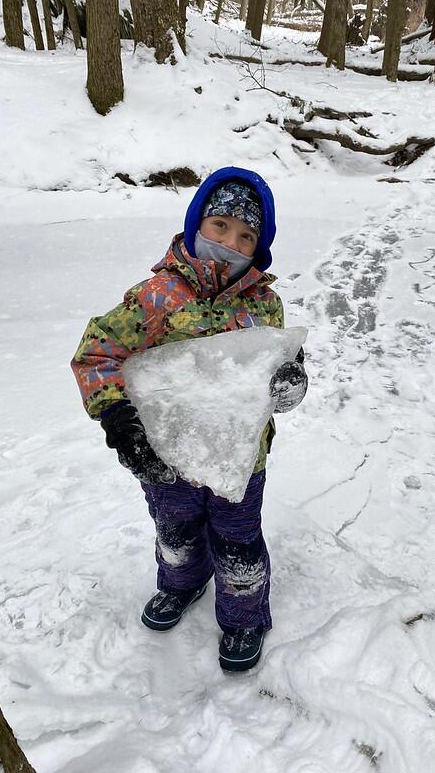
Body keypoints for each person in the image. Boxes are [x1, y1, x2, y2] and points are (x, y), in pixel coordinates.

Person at [71, 167, 308, 672]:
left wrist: (290, 384)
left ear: (259, 247)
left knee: (238, 540)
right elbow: (97, 354)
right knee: (175, 529)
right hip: (165, 452)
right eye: (220, 225)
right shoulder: (158, 296)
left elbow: (277, 369)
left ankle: (244, 615)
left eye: (247, 235)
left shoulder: (266, 305)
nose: (230, 242)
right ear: (197, 222)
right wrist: (117, 416)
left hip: (239, 459)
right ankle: (182, 583)